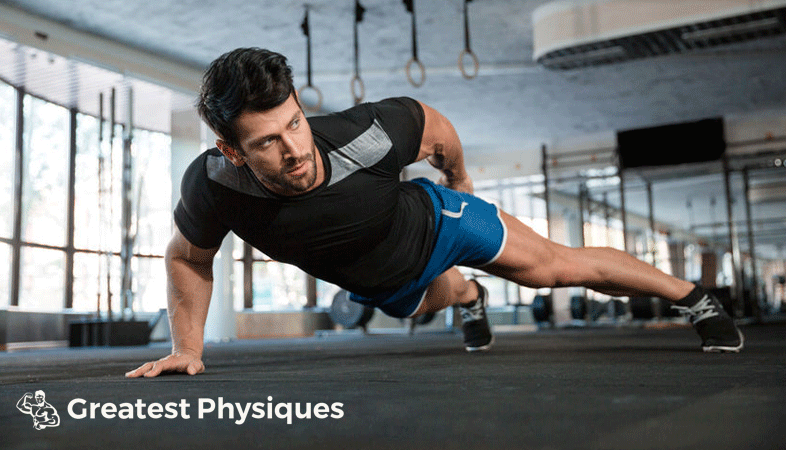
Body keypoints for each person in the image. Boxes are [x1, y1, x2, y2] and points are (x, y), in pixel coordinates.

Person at [126, 48, 743, 378]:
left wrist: (460, 178)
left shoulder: (366, 133)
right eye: (267, 142)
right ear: (230, 150)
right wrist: (188, 346)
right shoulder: (214, 187)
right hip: (386, 281)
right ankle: (468, 299)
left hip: (438, 221)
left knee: (552, 269)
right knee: (430, 301)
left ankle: (695, 296)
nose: (295, 150)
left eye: (294, 123)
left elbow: (436, 126)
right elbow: (188, 258)